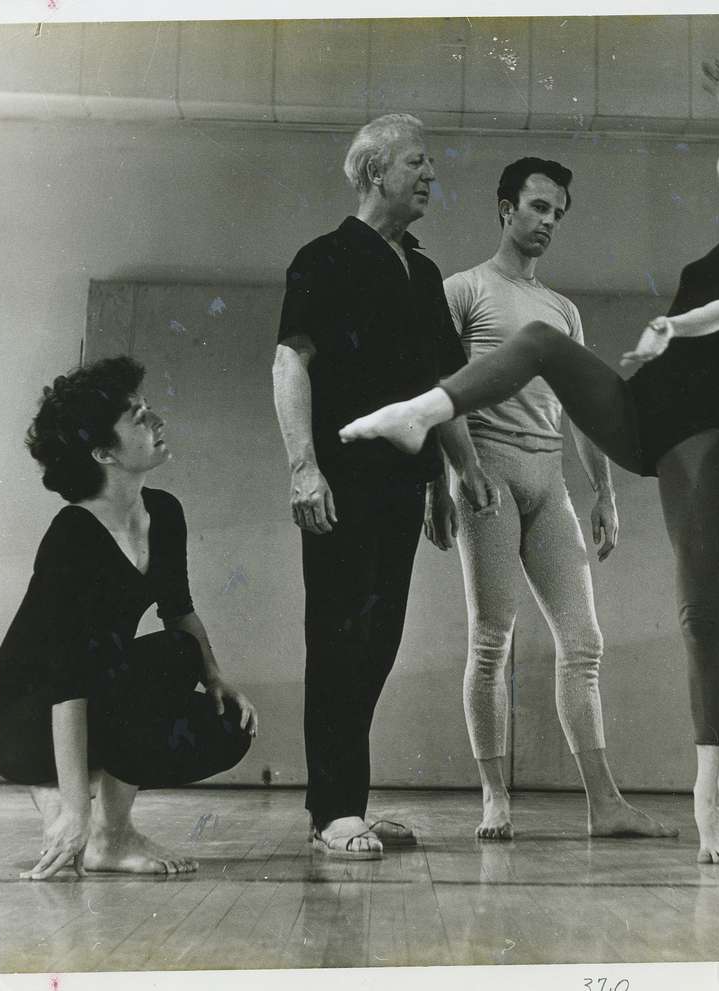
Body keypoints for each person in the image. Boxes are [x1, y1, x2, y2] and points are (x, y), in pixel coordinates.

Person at [339, 61, 719, 864]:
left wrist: (673, 330)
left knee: (696, 616)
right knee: (540, 345)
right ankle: (421, 412)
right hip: (636, 420)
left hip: (697, 440)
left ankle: (708, 795)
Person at [272, 113, 499, 861]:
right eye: (417, 163)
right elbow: (290, 363)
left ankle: (347, 805)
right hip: (340, 482)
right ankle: (332, 810)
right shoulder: (323, 257)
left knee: (375, 645)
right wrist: (303, 466)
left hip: (403, 486)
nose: (431, 175)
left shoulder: (424, 272)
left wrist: (454, 470)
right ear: (374, 173)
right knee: (338, 642)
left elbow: (439, 384)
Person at [432, 157, 675, 841]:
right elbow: (439, 387)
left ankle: (605, 803)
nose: (547, 222)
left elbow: (585, 406)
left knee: (584, 642)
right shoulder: (465, 290)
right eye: (537, 207)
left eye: (557, 213)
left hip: (548, 480)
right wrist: (447, 476)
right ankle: (494, 797)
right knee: (491, 642)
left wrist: (604, 491)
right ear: (506, 207)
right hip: (487, 474)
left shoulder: (563, 310)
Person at [0, 356, 258, 881]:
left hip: (97, 695)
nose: (157, 422)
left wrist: (217, 679)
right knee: (173, 655)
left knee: (225, 727)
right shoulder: (72, 535)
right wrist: (77, 814)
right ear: (103, 451)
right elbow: (67, 682)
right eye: (139, 417)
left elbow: (180, 610)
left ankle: (70, 797)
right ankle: (107, 832)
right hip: (19, 718)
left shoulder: (164, 513)